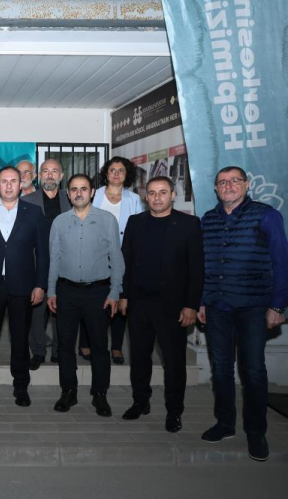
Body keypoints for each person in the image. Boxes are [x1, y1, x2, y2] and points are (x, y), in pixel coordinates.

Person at [197, 166, 288, 462]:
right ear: (215, 188)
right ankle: (225, 423)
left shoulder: (266, 215)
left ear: (247, 185)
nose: (228, 186)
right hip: (217, 306)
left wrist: (278, 305)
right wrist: (201, 301)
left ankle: (256, 431)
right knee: (221, 369)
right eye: (222, 182)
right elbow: (203, 265)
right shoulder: (208, 220)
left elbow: (281, 261)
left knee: (253, 370)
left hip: (253, 307)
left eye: (234, 181)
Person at [119, 176, 204, 433]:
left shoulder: (189, 224)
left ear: (172, 195)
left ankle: (174, 411)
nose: (157, 197)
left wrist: (191, 305)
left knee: (174, 362)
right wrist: (124, 296)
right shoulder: (136, 222)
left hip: (172, 308)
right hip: (139, 304)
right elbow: (126, 262)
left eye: (163, 192)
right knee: (139, 358)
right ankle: (140, 401)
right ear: (146, 197)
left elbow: (197, 269)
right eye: (152, 193)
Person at [0, 166, 49, 408]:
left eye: (13, 181)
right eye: (4, 181)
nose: (8, 185)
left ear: (20, 184)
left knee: (20, 338)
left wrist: (40, 285)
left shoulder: (33, 212)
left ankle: (21, 385)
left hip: (23, 285)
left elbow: (43, 253)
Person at [48, 173, 124, 417]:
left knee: (99, 346)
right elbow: (54, 259)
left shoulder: (107, 220)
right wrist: (51, 290)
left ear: (92, 192)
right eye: (74, 189)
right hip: (66, 292)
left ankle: (100, 394)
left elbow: (117, 258)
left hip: (98, 292)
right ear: (68, 194)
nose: (78, 193)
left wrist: (115, 292)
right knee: (65, 345)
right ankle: (68, 391)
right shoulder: (59, 222)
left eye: (83, 189)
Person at [83, 156, 143, 364]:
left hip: (123, 257)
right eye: (112, 170)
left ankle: (116, 347)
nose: (116, 174)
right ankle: (86, 342)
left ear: (127, 175)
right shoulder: (95, 195)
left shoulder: (134, 199)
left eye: (121, 170)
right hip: (94, 255)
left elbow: (138, 231)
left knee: (120, 298)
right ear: (106, 174)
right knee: (91, 301)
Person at [21, 159, 71, 369]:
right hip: (36, 263)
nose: (50, 175)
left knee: (63, 310)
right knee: (37, 311)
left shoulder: (71, 199)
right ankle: (39, 351)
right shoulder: (27, 201)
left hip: (66, 264)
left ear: (61, 176)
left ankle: (59, 351)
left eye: (54, 171)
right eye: (46, 171)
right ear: (39, 176)